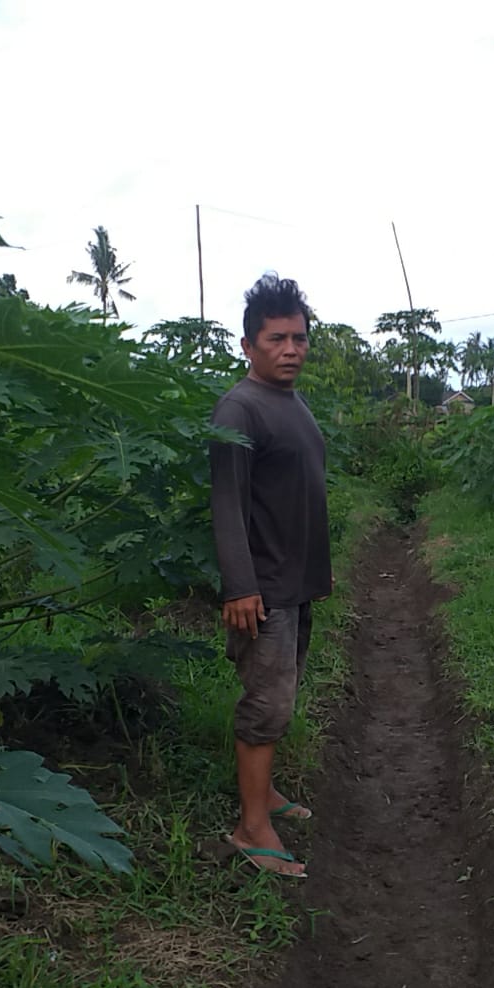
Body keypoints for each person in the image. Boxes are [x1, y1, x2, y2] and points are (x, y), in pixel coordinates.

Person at [209, 272, 331, 879]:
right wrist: (240, 585)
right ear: (249, 344)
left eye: (300, 338)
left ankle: (267, 795)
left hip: (296, 581)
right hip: (264, 590)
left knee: (279, 698)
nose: (292, 349)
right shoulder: (240, 407)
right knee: (265, 704)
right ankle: (250, 828)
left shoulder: (290, 399)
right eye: (278, 338)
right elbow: (227, 503)